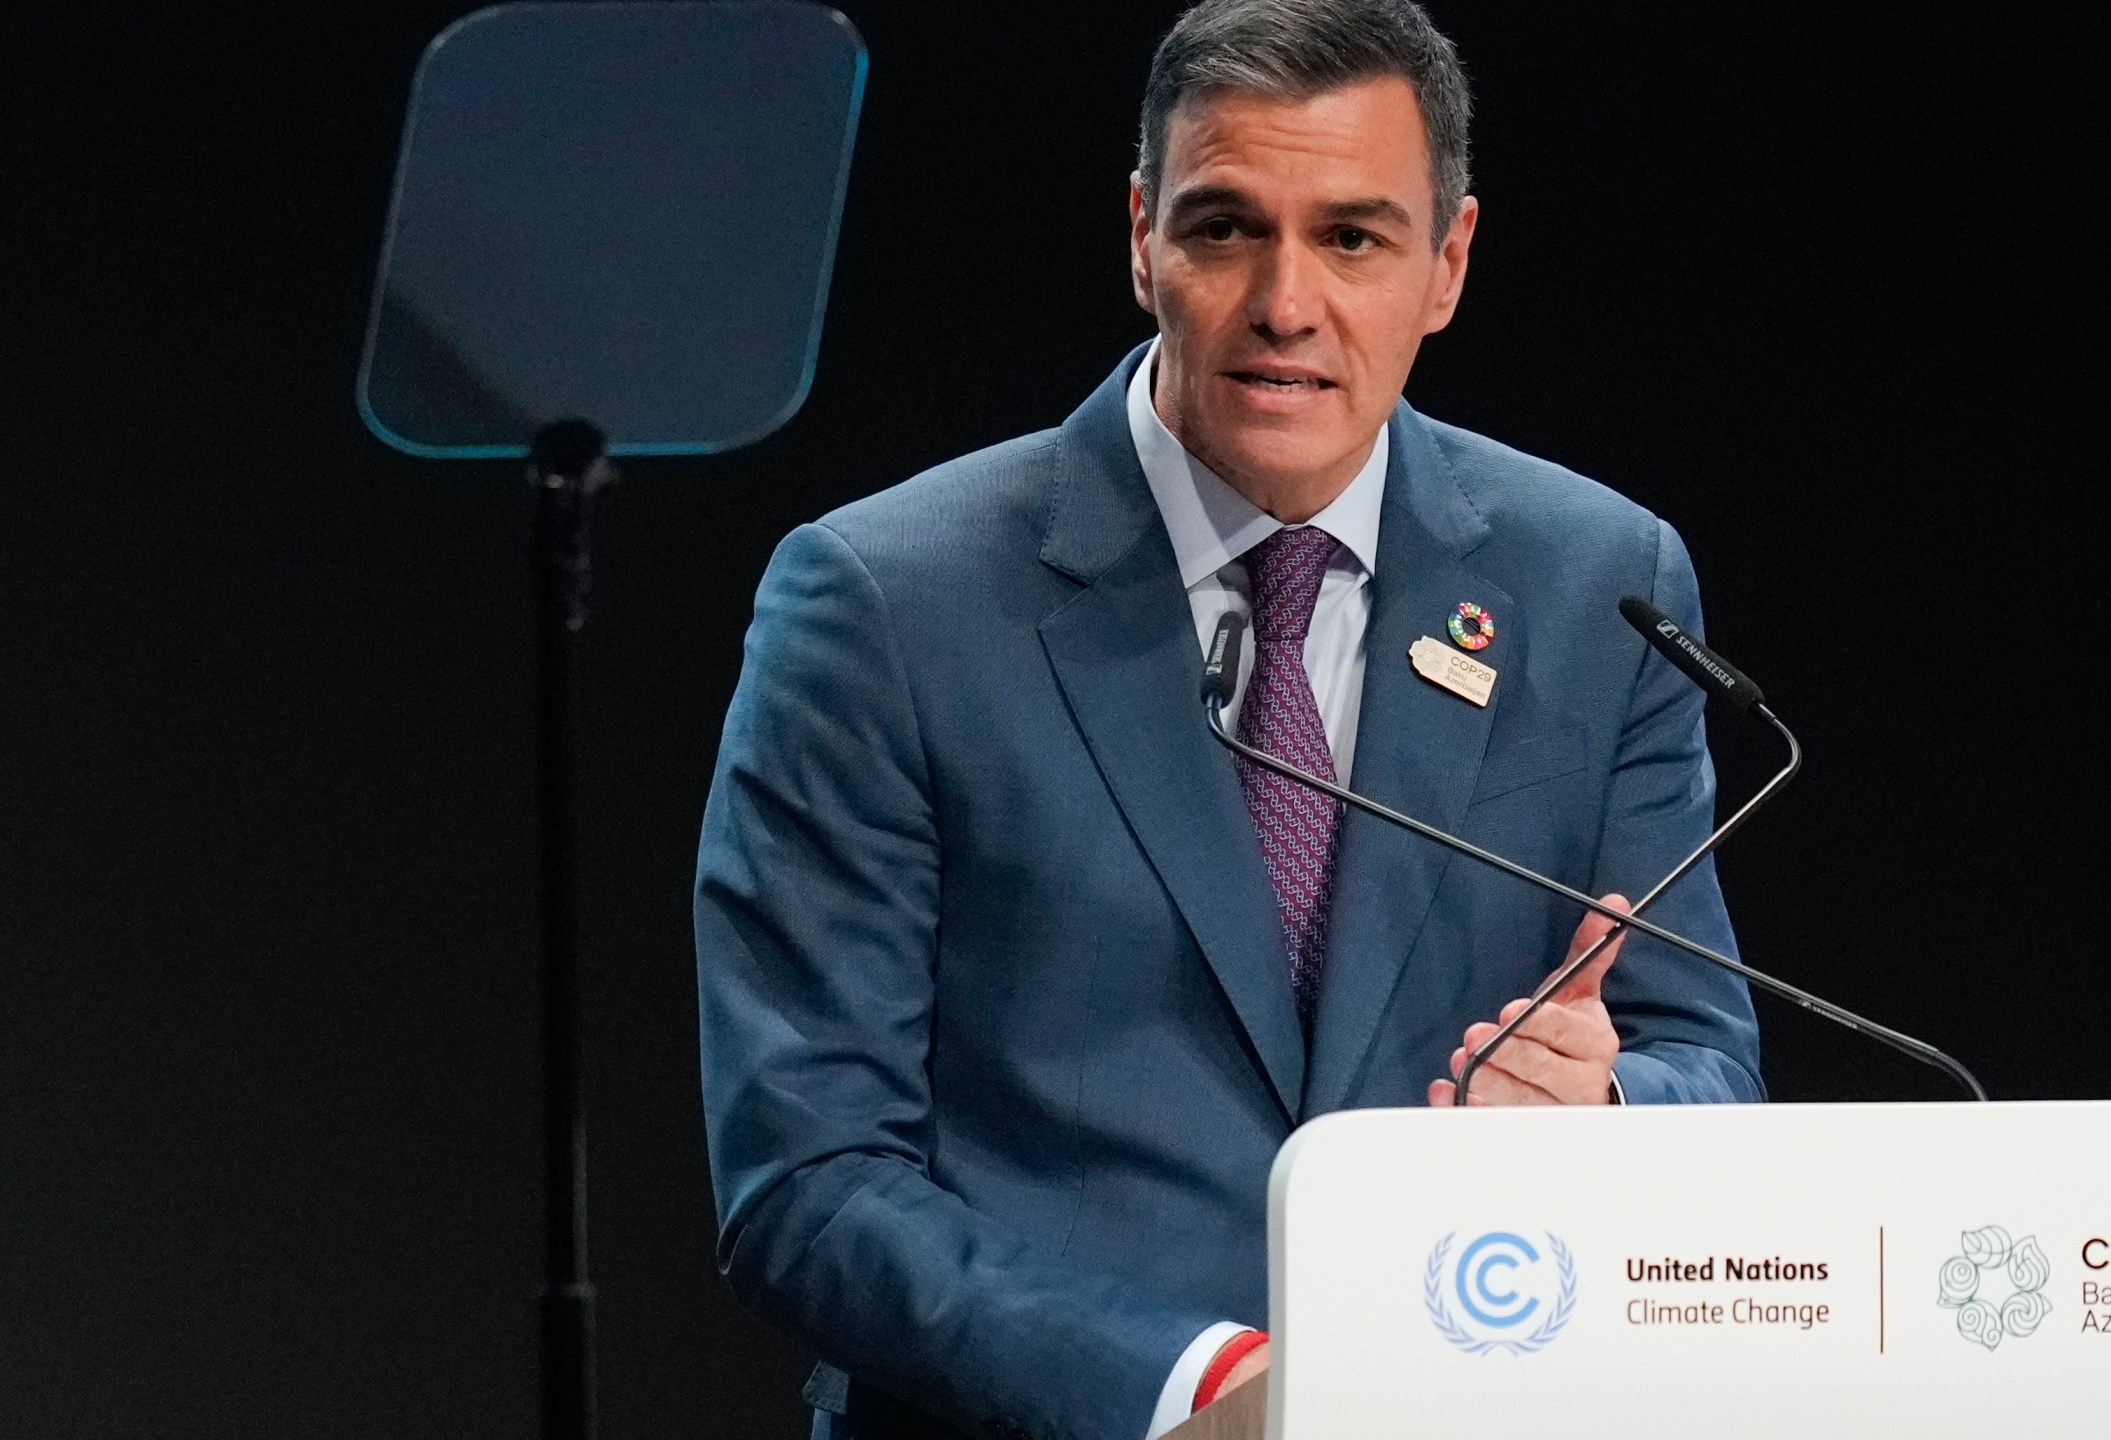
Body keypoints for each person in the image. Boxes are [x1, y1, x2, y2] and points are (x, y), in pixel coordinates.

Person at [695, 2, 1762, 1435]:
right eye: (1223, 229)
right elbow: (807, 1183)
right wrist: (1195, 1383)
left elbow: (1710, 1064)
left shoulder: (1599, 586)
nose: (1284, 303)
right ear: (1141, 238)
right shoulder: (888, 605)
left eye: (1353, 238)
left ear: (1446, 264)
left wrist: (1613, 1108)